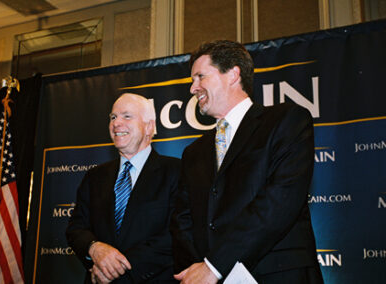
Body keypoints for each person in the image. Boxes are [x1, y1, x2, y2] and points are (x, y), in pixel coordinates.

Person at [170, 40, 323, 284]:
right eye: (192, 81)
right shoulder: (194, 152)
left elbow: (279, 201)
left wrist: (215, 266)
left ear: (232, 74)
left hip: (277, 274)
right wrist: (198, 270)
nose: (193, 88)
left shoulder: (286, 121)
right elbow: (182, 221)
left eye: (200, 77)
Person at [66, 93, 180, 283]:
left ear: (149, 127)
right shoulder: (94, 176)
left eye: (127, 116)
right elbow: (76, 229)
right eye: (113, 117)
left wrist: (113, 268)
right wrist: (94, 248)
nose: (116, 123)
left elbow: (175, 234)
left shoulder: (177, 171)